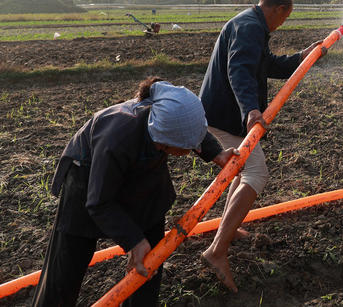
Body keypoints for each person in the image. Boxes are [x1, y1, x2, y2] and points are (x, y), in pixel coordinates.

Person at [32, 77, 239, 307]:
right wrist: (133, 240)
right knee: (65, 270)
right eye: (189, 146)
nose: (191, 150)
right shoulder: (117, 139)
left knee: (150, 263)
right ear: (167, 141)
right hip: (87, 178)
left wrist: (215, 153)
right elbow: (99, 202)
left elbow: (191, 128)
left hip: (144, 180)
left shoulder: (165, 122)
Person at [199, 0, 325, 292]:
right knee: (257, 173)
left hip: (220, 115)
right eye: (286, 17)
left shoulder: (250, 24)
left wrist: (302, 57)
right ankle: (217, 250)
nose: (283, 23)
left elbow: (268, 66)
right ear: (280, 9)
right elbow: (238, 70)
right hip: (222, 118)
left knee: (243, 171)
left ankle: (228, 228)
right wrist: (251, 110)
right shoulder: (251, 27)